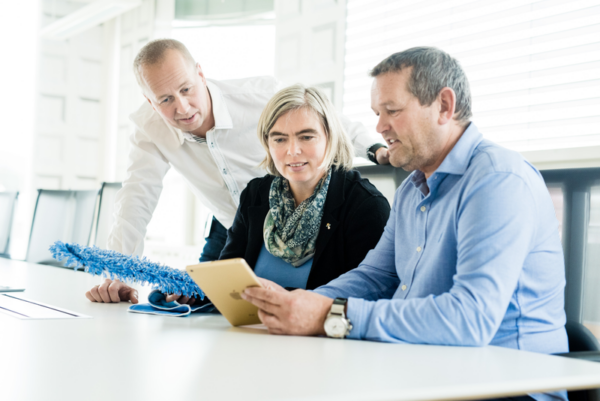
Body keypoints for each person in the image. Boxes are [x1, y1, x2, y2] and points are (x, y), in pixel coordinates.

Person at [241, 47, 567, 401]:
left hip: (507, 387)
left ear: (444, 106)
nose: (380, 127)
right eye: (377, 113)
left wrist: (329, 315)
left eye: (392, 111)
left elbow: (470, 319)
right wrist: (296, 305)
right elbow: (375, 277)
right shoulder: (413, 189)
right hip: (427, 373)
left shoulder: (497, 180)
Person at [85, 39, 388, 304]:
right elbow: (135, 200)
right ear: (150, 102)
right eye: (165, 99)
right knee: (199, 300)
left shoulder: (259, 95)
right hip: (241, 222)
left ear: (200, 74)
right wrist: (119, 274)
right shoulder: (149, 129)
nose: (183, 107)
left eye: (186, 89)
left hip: (302, 207)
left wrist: (376, 148)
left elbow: (324, 119)